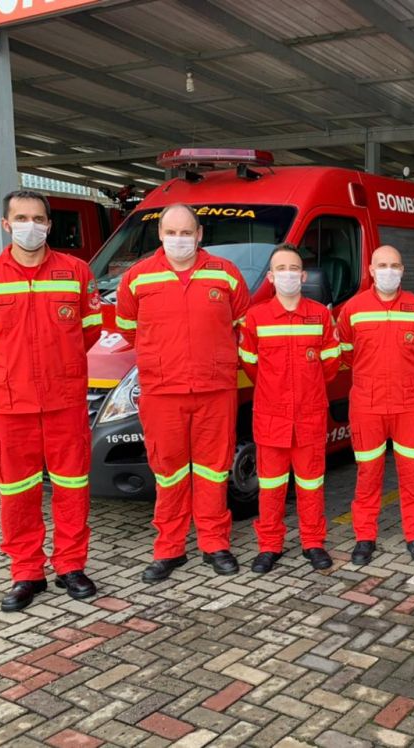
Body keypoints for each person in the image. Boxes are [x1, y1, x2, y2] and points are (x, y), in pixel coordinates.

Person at [0, 190, 102, 611]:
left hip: (64, 399)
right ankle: (26, 572)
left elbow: (90, 330)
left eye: (39, 218)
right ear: (6, 225)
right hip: (12, 402)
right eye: (21, 217)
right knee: (17, 491)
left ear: (49, 224)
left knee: (72, 486)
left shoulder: (76, 271)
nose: (31, 225)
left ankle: (70, 566)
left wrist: (58, 366)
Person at [115, 204, 250, 582]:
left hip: (214, 390)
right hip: (162, 391)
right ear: (160, 235)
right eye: (171, 233)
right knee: (169, 472)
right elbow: (128, 329)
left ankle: (214, 544)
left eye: (186, 232)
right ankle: (169, 549)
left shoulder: (226, 275)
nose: (179, 239)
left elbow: (243, 325)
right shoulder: (138, 278)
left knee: (212, 471)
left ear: (200, 234)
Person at [238, 245, 340, 573]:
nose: (288, 275)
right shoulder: (256, 317)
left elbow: (330, 365)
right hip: (272, 417)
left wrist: (305, 391)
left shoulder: (320, 315)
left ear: (304, 275)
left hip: (309, 415)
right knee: (271, 486)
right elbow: (251, 365)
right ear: (270, 277)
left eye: (293, 268)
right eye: (281, 269)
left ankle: (313, 543)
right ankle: (270, 545)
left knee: (311, 484)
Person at [336, 245, 414, 566]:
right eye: (382, 265)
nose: (388, 271)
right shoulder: (353, 308)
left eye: (395, 265)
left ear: (403, 270)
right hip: (367, 405)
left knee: (413, 474)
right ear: (370, 270)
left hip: (409, 405)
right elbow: (347, 354)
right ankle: (365, 537)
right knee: (368, 474)